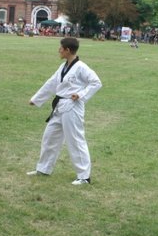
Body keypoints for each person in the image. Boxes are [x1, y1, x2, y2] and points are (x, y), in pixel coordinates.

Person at [27, 37, 102, 185]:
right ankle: (44, 169)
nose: (59, 50)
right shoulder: (63, 67)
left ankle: (84, 176)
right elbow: (51, 83)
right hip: (59, 106)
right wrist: (36, 99)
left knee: (75, 140)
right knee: (49, 137)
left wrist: (80, 94)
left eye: (61, 48)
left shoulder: (81, 67)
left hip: (73, 107)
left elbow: (96, 82)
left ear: (68, 50)